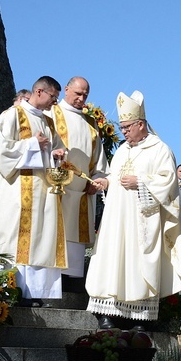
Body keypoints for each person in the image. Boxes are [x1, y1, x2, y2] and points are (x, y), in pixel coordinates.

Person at [85, 90, 181, 330]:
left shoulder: (160, 149)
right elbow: (114, 175)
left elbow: (168, 182)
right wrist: (106, 182)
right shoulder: (122, 150)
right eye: (122, 127)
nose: (124, 132)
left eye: (127, 127)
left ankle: (138, 316)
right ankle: (107, 313)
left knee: (138, 263)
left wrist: (140, 182)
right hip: (116, 220)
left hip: (143, 221)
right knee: (112, 260)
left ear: (141, 124)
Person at [0, 76, 68, 307]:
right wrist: (30, 144)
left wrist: (58, 154)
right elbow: (1, 152)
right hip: (17, 190)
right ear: (39, 91)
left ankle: (34, 292)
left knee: (41, 239)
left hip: (43, 192)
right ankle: (13, 291)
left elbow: (57, 148)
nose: (54, 103)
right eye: (52, 97)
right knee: (15, 238)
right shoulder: (13, 116)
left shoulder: (48, 123)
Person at [50, 76, 109, 279]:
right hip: (56, 188)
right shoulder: (52, 113)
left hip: (83, 192)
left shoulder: (91, 122)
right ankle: (52, 275)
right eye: (78, 93)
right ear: (66, 90)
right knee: (54, 231)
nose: (81, 98)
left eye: (85, 95)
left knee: (76, 235)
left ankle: (72, 277)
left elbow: (99, 158)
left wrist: (98, 178)